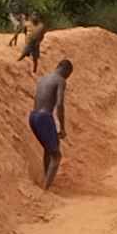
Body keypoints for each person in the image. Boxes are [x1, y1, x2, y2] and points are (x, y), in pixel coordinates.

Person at [29, 59, 73, 188]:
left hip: (33, 116)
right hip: (44, 117)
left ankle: (47, 179)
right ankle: (46, 187)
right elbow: (59, 104)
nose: (67, 77)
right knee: (56, 155)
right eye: (69, 75)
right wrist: (63, 128)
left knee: (48, 150)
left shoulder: (43, 78)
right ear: (66, 70)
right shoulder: (60, 80)